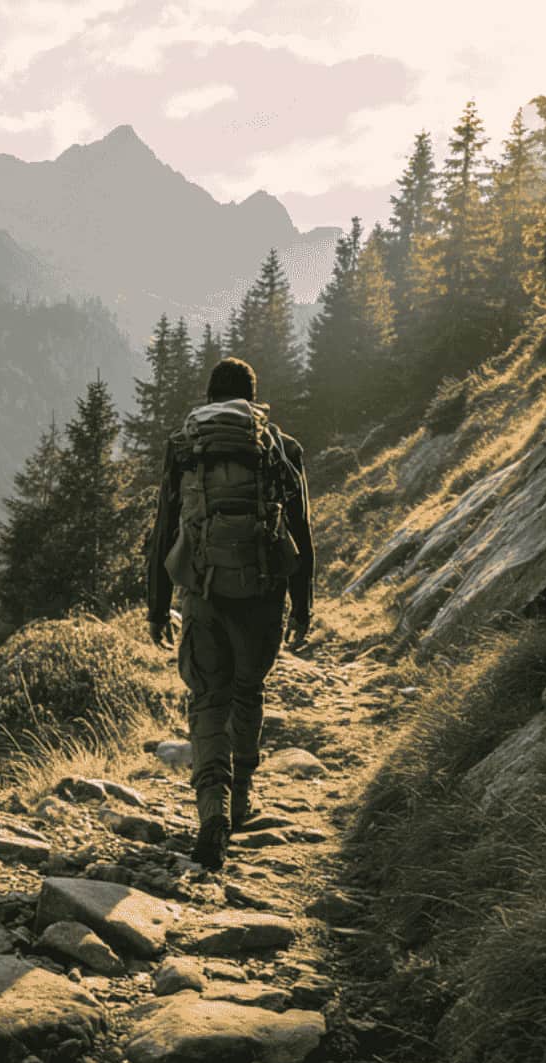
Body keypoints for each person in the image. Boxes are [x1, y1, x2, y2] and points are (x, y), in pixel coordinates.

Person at [144, 357, 313, 870]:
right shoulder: (280, 447)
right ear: (253, 397)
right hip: (262, 597)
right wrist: (302, 605)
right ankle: (240, 800)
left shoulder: (185, 448)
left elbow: (163, 533)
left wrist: (157, 607)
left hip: (204, 595)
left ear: (210, 397)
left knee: (208, 700)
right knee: (247, 693)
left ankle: (211, 813)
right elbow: (301, 531)